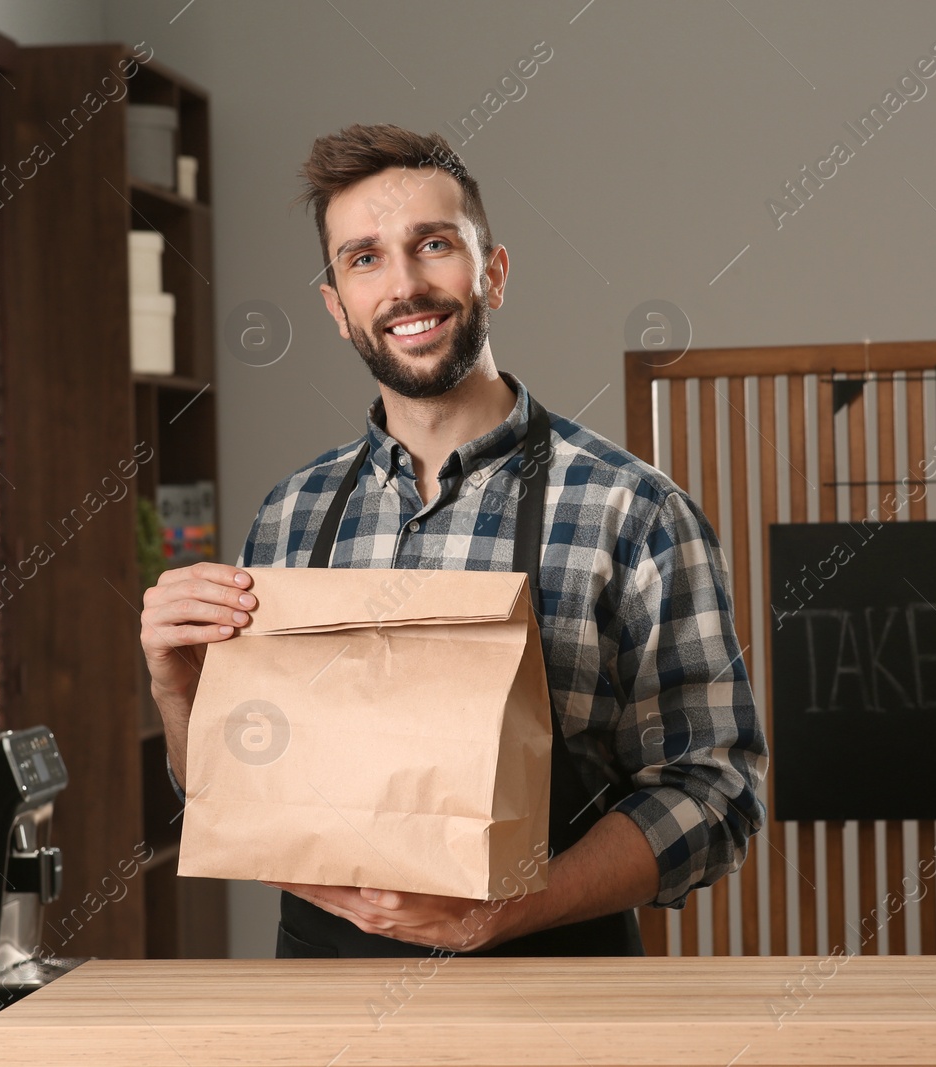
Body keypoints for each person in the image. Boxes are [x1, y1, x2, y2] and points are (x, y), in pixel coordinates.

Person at [141, 123, 766, 958]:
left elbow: (714, 793)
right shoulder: (289, 518)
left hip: (557, 1001)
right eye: (364, 258)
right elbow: (239, 786)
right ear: (337, 307)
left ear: (492, 272)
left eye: (432, 244)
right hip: (324, 1006)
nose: (403, 284)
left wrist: (509, 910)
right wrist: (179, 692)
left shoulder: (635, 512)